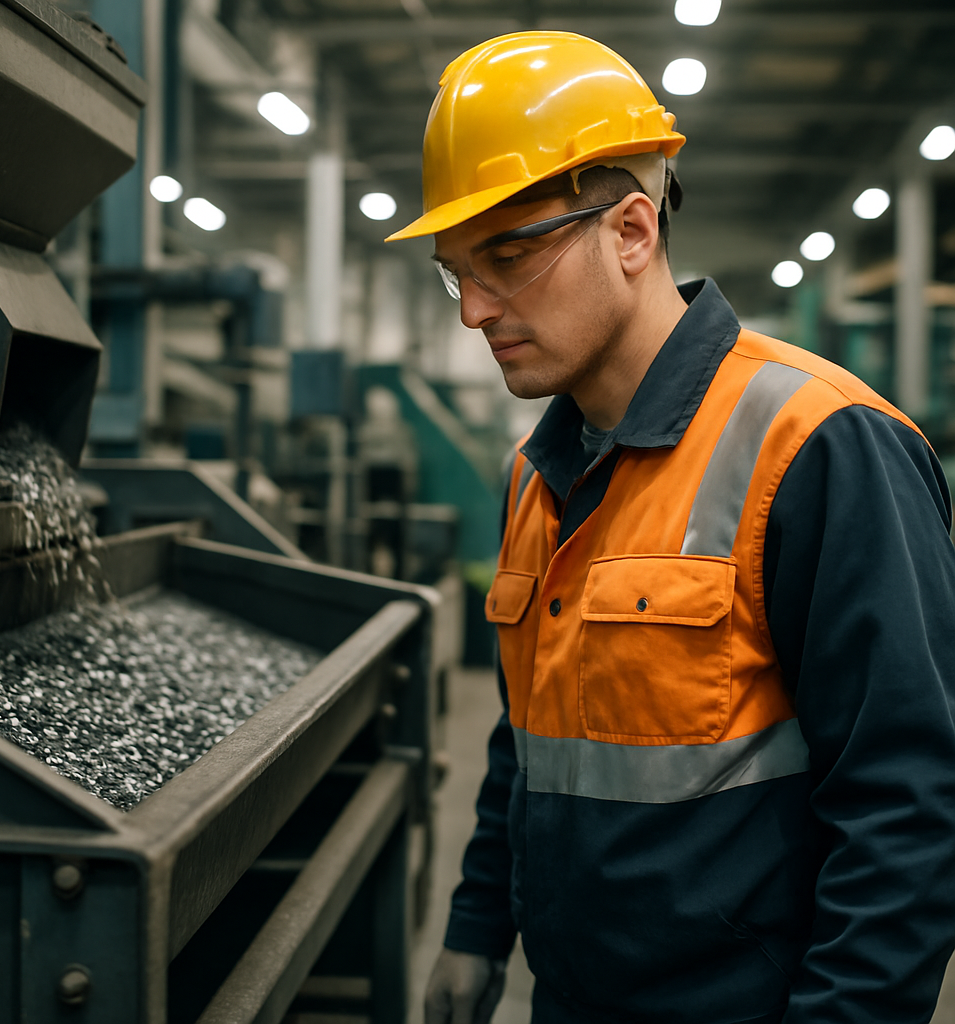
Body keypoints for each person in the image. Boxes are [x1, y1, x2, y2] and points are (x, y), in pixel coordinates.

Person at [386, 30, 955, 1024]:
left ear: (633, 231)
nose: (474, 308)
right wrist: (477, 927)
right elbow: (529, 742)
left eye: (506, 256)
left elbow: (908, 808)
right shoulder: (535, 473)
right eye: (455, 271)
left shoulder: (817, 444)